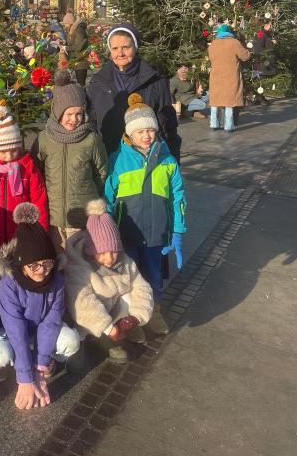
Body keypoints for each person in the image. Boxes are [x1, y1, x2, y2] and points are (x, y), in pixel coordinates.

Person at [104, 93, 186, 336]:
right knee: (128, 279)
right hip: (127, 234)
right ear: (129, 133)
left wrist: (177, 231)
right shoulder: (118, 160)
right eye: (140, 131)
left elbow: (178, 197)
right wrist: (108, 232)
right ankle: (131, 318)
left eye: (150, 130)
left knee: (153, 276)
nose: (146, 136)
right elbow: (108, 198)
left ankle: (154, 312)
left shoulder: (167, 161)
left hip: (155, 234)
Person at [0, 203, 80, 408]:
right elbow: (15, 328)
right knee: (0, 355)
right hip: (11, 333)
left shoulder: (56, 280)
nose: (42, 270)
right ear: (21, 263)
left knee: (71, 340)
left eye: (47, 263)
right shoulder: (9, 283)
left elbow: (51, 322)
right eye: (34, 265)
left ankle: (43, 359)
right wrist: (25, 379)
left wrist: (39, 369)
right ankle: (14, 364)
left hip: (40, 330)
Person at [64, 199, 153, 364]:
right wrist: (107, 327)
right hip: (85, 319)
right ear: (91, 250)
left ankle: (116, 336)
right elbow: (81, 302)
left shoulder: (124, 261)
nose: (110, 258)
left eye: (114, 251)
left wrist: (136, 316)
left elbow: (142, 287)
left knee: (130, 292)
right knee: (81, 305)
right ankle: (80, 343)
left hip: (112, 312)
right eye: (103, 253)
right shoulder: (79, 266)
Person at [31, 70, 107, 250]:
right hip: (54, 217)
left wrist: (92, 198)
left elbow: (102, 172)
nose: (74, 119)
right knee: (59, 260)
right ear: (58, 112)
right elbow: (35, 172)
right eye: (69, 114)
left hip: (82, 217)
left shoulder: (91, 139)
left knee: (80, 261)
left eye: (79, 114)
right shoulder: (45, 139)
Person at [87, 22, 181, 161]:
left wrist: (172, 160)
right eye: (115, 48)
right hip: (109, 157)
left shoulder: (155, 82)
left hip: (146, 158)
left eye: (126, 47)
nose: (120, 53)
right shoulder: (98, 83)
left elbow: (168, 125)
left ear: (135, 47)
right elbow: (91, 124)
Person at [0, 104, 48, 256]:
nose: (9, 156)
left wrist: (41, 236)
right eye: (3, 151)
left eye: (14, 150)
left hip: (21, 239)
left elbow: (40, 203)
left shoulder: (28, 169)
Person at [208, 23, 251, 131]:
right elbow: (245, 56)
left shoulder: (213, 44)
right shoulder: (234, 42)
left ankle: (213, 123)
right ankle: (228, 125)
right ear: (229, 32)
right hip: (230, 75)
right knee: (229, 100)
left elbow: (210, 58)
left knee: (215, 100)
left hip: (216, 75)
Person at [67, 15, 89, 87]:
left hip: (81, 61)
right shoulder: (73, 30)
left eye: (67, 23)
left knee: (81, 84)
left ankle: (83, 94)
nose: (66, 25)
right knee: (78, 84)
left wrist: (66, 48)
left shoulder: (79, 31)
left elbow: (78, 47)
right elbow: (72, 42)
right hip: (76, 59)